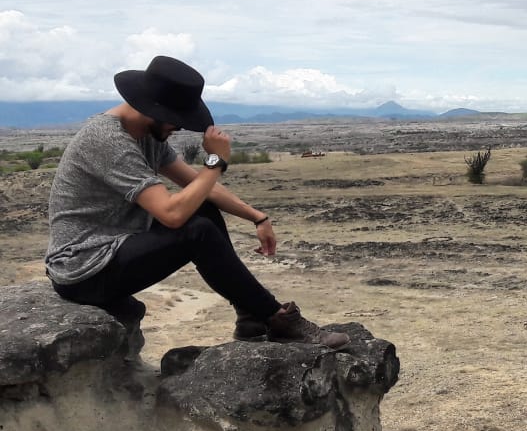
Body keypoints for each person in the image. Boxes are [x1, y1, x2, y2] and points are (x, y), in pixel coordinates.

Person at [44, 55, 348, 349]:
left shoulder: (147, 135)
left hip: (114, 249)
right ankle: (278, 320)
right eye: (176, 120)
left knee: (201, 207)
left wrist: (257, 217)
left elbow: (199, 187)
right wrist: (215, 162)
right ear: (153, 108)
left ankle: (250, 317)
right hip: (83, 271)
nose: (178, 128)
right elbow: (172, 215)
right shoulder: (108, 140)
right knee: (196, 230)